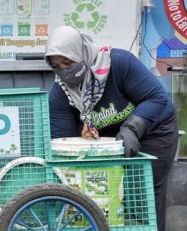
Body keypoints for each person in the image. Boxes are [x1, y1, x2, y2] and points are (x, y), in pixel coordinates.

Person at [45, 26, 178, 231]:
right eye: (57, 66)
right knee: (103, 198)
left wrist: (134, 127)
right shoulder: (61, 94)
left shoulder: (119, 64)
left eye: (68, 62)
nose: (64, 70)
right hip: (106, 146)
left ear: (82, 53)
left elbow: (157, 99)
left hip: (153, 131)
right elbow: (63, 141)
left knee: (142, 194)